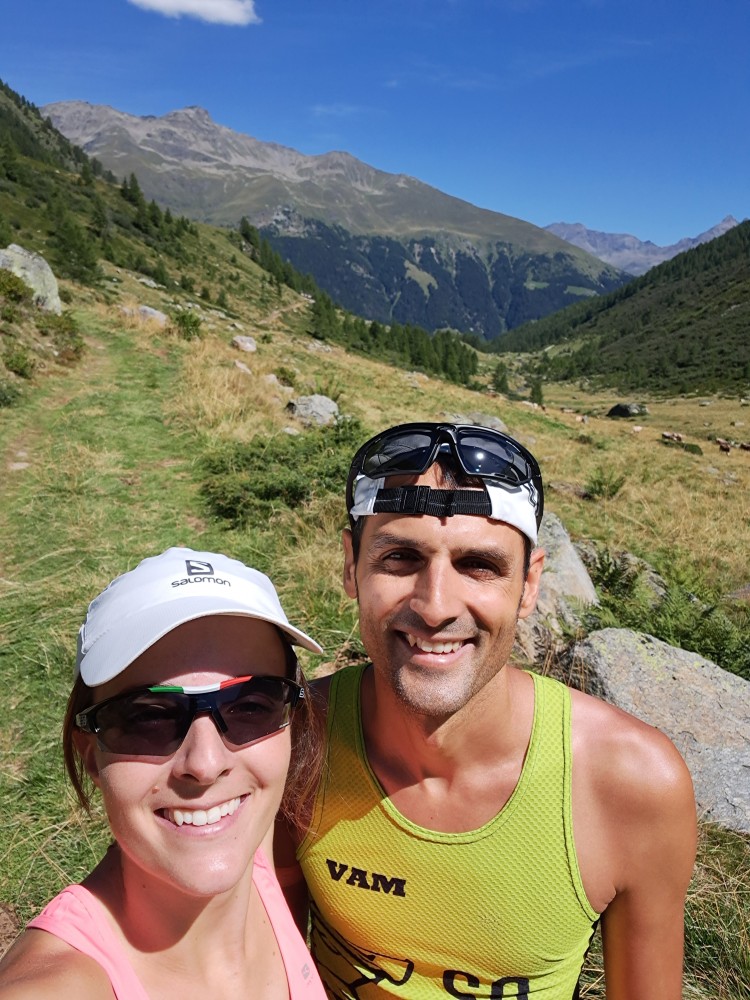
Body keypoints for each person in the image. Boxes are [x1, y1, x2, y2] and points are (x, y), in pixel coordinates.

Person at [274, 422, 697, 1000]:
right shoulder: (294, 744)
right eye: (399, 557)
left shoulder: (632, 784)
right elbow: (258, 964)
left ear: (529, 584)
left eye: (479, 565)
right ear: (351, 567)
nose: (436, 606)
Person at [0, 547, 328, 1000]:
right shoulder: (53, 986)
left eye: (252, 706)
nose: (206, 764)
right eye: (148, 717)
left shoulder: (261, 847)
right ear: (91, 754)